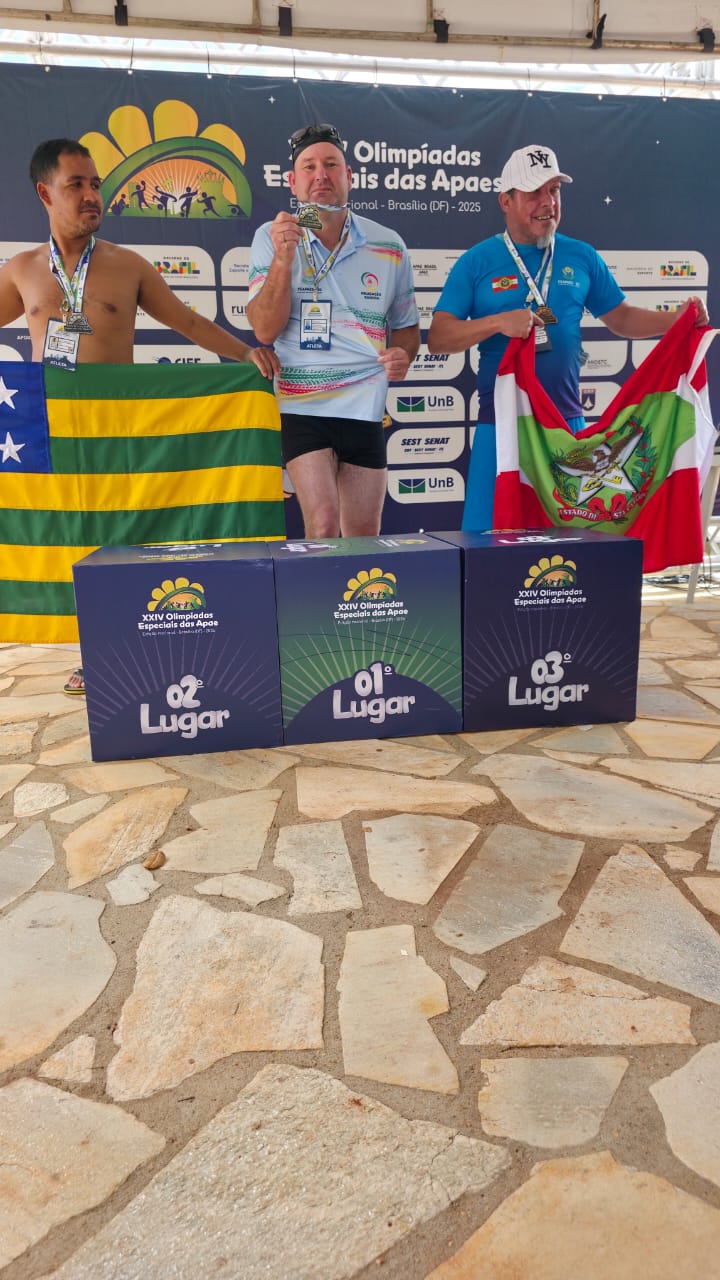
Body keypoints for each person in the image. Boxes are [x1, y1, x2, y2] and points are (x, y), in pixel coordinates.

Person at [0, 137, 279, 693]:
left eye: (95, 184)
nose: (91, 195)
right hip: (56, 435)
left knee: (121, 539)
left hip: (120, 432)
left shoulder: (128, 266)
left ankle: (125, 645)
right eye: (76, 185)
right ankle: (90, 650)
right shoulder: (21, 269)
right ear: (45, 194)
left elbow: (187, 323)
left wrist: (245, 354)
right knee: (71, 539)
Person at [427, 143, 709, 532]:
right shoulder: (477, 261)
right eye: (534, 192)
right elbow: (439, 337)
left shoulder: (581, 256)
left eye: (554, 190)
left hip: (567, 428)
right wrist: (497, 323)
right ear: (506, 200)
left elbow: (622, 318)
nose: (548, 202)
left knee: (570, 546)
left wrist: (676, 320)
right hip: (502, 426)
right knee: (487, 542)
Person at [246, 122, 420, 538]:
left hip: (364, 404)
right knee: (322, 523)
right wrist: (283, 260)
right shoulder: (272, 238)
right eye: (308, 166)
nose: (320, 175)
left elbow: (407, 329)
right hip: (303, 403)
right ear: (292, 182)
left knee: (363, 535)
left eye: (331, 165)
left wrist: (404, 356)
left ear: (349, 177)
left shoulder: (388, 244)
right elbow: (265, 330)